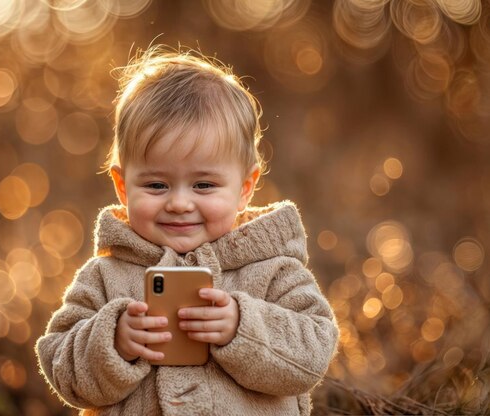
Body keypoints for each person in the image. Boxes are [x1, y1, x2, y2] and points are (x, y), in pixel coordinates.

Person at [35, 45, 339, 416]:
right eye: (157, 186)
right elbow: (60, 365)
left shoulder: (274, 269)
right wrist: (113, 340)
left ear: (245, 188)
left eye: (204, 185)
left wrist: (244, 327)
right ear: (122, 187)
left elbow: (315, 351)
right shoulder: (104, 275)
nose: (179, 203)